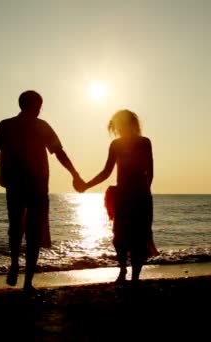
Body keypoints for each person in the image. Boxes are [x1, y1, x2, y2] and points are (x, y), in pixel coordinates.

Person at [0, 90, 84, 293]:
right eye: (39, 105)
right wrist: (75, 174)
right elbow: (59, 152)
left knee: (16, 227)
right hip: (36, 185)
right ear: (35, 105)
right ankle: (27, 282)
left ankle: (16, 264)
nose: (40, 109)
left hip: (17, 184)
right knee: (33, 232)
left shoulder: (6, 124)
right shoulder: (38, 126)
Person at [80, 109, 155, 284]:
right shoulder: (116, 145)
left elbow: (150, 169)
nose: (118, 128)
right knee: (119, 237)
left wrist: (145, 190)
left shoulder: (144, 142)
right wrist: (86, 185)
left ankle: (134, 276)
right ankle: (123, 270)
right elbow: (107, 172)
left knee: (139, 237)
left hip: (138, 194)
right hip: (125, 194)